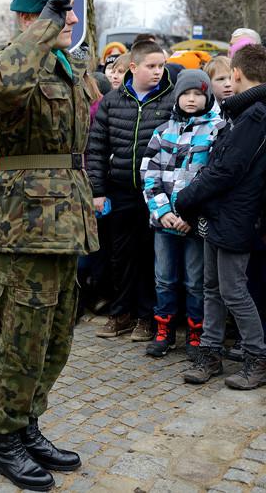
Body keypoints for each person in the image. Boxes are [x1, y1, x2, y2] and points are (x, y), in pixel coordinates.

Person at [0, 0, 98, 490]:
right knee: (22, 335)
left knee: (56, 334)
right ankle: (5, 438)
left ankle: (28, 424)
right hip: (24, 222)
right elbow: (1, 88)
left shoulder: (62, 65)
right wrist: (45, 28)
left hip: (66, 218)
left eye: (69, 12)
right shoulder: (10, 62)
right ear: (33, 15)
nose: (70, 20)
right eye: (60, 11)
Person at [176, 44, 266, 390]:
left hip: (236, 217)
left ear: (239, 74)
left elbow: (227, 170)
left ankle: (258, 358)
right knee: (211, 288)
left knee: (233, 291)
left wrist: (186, 199)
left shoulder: (255, 114)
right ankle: (210, 353)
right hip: (220, 215)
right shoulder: (243, 113)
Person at [88, 39, 175, 341]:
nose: (157, 72)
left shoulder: (170, 98)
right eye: (151, 66)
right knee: (120, 256)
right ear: (134, 67)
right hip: (120, 189)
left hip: (157, 194)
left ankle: (146, 317)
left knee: (151, 256)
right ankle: (120, 312)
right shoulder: (113, 101)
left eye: (161, 66)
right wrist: (98, 191)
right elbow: (96, 148)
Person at [140, 69, 225, 359]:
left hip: (194, 224)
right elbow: (149, 174)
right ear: (177, 97)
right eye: (186, 94)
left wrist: (192, 216)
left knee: (195, 281)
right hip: (164, 222)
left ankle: (196, 332)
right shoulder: (163, 131)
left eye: (197, 94)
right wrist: (162, 211)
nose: (191, 99)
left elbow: (214, 180)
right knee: (163, 277)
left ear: (206, 97)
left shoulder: (217, 130)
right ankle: (163, 329)